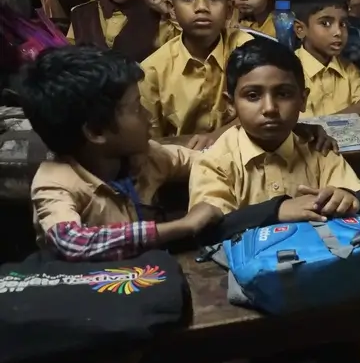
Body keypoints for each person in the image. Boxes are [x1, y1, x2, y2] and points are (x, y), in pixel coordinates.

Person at [24, 46, 220, 260]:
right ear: (96, 131)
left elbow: (208, 162)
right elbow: (72, 242)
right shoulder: (54, 183)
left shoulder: (144, 157)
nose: (148, 117)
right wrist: (184, 226)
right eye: (136, 109)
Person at [189, 38, 360, 228]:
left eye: (283, 94)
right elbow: (210, 229)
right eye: (253, 96)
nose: (270, 108)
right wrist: (277, 210)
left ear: (303, 100)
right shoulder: (215, 162)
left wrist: (348, 197)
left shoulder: (318, 149)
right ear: (231, 105)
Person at [139, 0, 254, 148]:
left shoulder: (247, 50)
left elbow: (264, 113)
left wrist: (219, 136)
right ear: (172, 9)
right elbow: (149, 144)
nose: (201, 7)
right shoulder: (152, 70)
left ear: (228, 9)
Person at [290, 0, 360, 117]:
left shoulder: (350, 70)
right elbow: (302, 128)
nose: (338, 32)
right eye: (325, 23)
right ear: (300, 29)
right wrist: (354, 110)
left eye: (343, 24)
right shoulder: (290, 74)